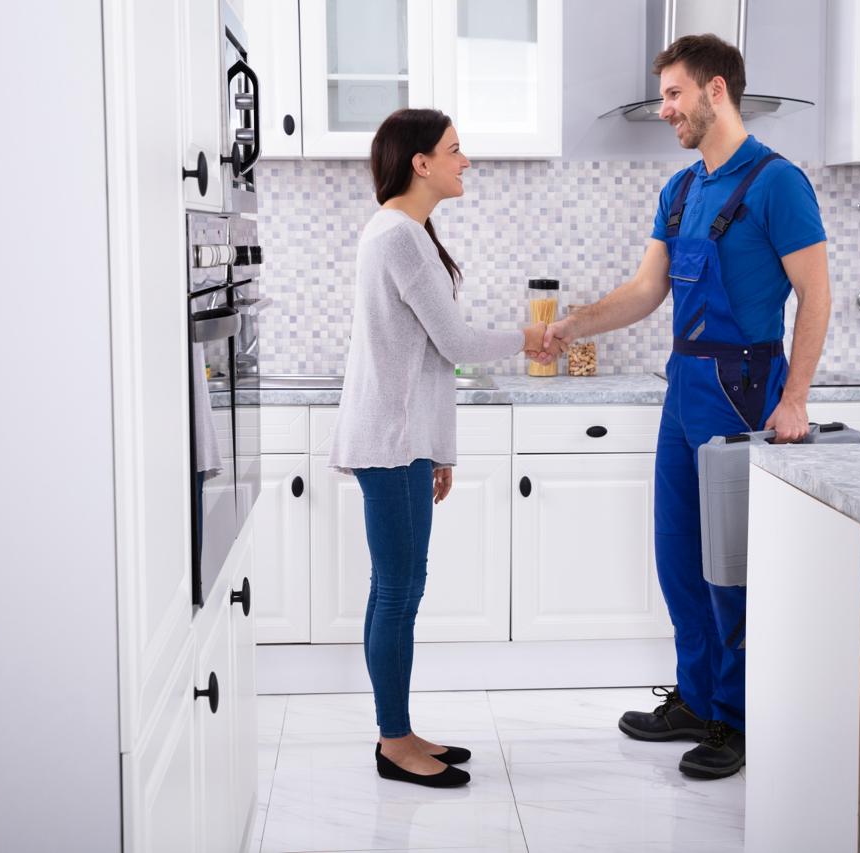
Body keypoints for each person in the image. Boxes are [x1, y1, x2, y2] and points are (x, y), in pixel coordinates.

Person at [542, 34, 831, 780]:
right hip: (685, 388)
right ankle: (699, 699)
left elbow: (817, 296)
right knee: (678, 556)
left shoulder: (778, 183)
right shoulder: (679, 191)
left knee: (730, 568)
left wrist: (794, 398)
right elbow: (646, 292)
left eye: (674, 93)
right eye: (664, 94)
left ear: (716, 91)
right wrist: (574, 322)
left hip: (745, 391)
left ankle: (738, 718)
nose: (665, 107)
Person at [328, 108, 557, 789]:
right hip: (393, 442)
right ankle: (394, 741)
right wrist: (531, 336)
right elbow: (455, 346)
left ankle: (398, 728)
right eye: (455, 151)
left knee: (398, 587)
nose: (466, 162)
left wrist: (442, 449)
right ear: (420, 162)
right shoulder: (398, 236)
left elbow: (426, 359)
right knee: (397, 590)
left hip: (405, 439)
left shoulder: (408, 233)